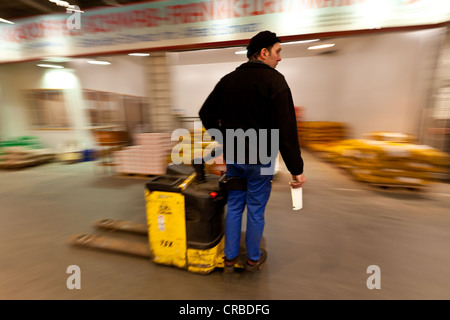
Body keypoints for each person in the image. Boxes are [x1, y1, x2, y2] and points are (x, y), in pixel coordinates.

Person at [199, 30, 306, 273]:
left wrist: (225, 138)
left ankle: (229, 258)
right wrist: (296, 170)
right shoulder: (276, 82)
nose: (280, 58)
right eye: (278, 52)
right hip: (262, 158)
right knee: (256, 208)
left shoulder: (228, 80)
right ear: (264, 52)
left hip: (235, 154)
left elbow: (206, 113)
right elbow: (286, 130)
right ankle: (252, 259)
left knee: (235, 205)